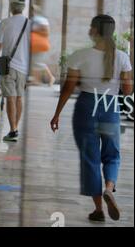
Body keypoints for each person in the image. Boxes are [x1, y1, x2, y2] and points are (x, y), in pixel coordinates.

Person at [50, 15, 133, 222]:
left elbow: (69, 87)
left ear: (94, 31)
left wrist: (57, 113)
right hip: (110, 106)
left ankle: (98, 209)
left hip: (86, 107)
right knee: (112, 154)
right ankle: (109, 188)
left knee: (90, 159)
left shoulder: (80, 55)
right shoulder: (121, 57)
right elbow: (128, 89)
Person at [0, 0, 31, 142]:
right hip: (24, 67)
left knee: (10, 98)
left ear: (11, 6)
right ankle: (14, 128)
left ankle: (13, 129)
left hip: (7, 66)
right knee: (19, 98)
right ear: (23, 7)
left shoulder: (4, 23)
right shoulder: (30, 24)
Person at [30, 5, 55, 86]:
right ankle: (36, 80)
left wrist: (33, 30)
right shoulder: (36, 19)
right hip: (35, 44)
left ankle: (50, 77)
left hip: (38, 44)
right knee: (34, 62)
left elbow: (46, 31)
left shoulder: (39, 19)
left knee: (37, 62)